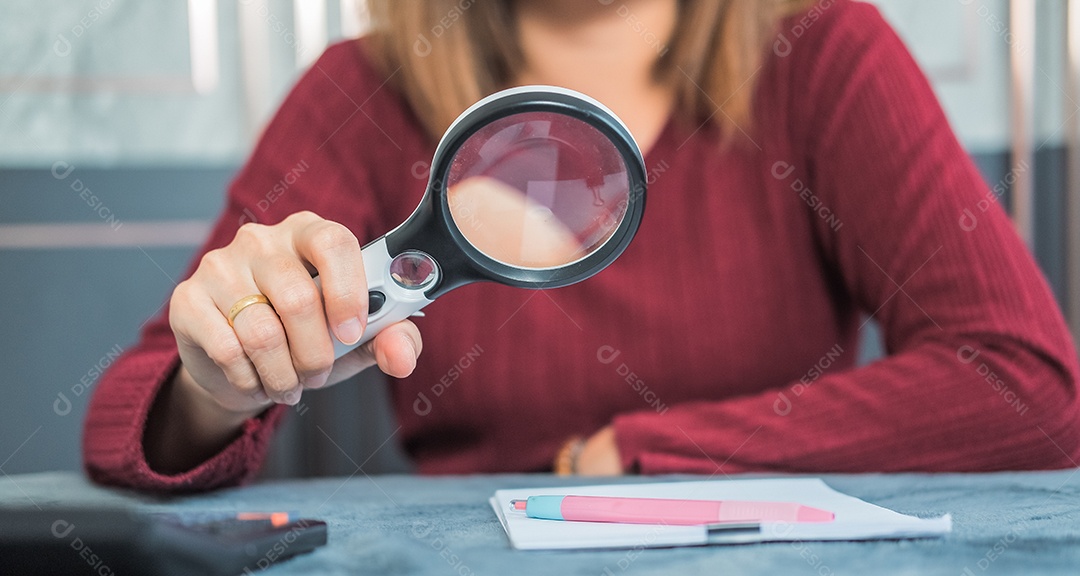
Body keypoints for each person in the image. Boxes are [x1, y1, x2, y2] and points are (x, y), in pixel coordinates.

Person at [84, 0, 1080, 492]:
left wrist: (640, 455)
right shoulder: (363, 90)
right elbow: (131, 426)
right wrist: (218, 384)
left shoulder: (823, 54)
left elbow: (1026, 384)